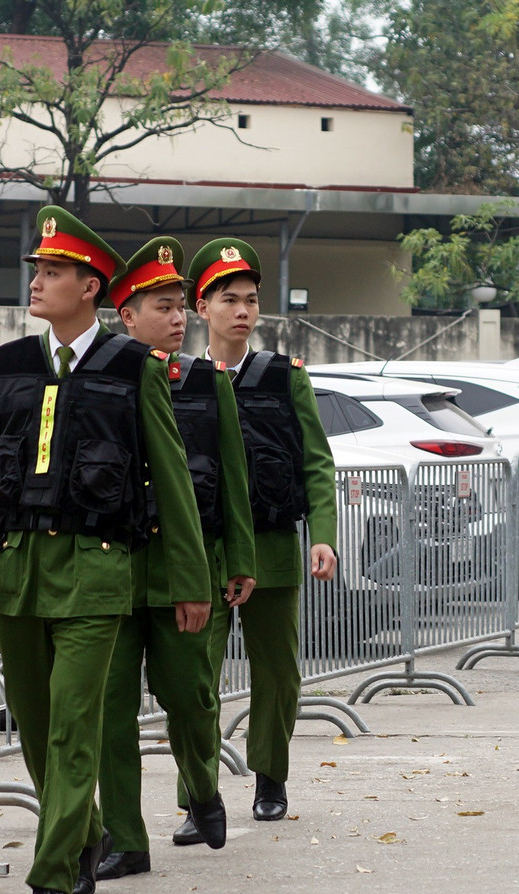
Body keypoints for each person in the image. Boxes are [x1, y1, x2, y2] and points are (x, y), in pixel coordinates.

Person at [0, 206, 210, 894]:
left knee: (72, 730)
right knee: (32, 725)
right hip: (20, 570)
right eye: (36, 270)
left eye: (51, 272)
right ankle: (83, 831)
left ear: (90, 287)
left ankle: (51, 876)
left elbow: (172, 483)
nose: (36, 281)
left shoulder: (133, 369)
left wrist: (190, 581)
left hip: (97, 574)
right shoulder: (9, 367)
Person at [94, 237, 258, 881]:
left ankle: (202, 789)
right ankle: (126, 839)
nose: (178, 317)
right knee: (109, 709)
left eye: (181, 306)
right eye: (163, 307)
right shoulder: (103, 378)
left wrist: (237, 559)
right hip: (115, 568)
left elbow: (233, 477)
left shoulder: (203, 382)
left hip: (184, 568)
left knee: (191, 695)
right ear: (126, 315)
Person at [185, 237, 338, 824]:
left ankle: (270, 779)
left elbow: (315, 462)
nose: (242, 310)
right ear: (203, 307)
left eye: (251, 299)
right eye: (229, 299)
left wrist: (321, 533)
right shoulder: (180, 376)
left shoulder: (283, 377)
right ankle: (198, 798)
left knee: (277, 672)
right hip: (205, 551)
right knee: (195, 676)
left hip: (271, 545)